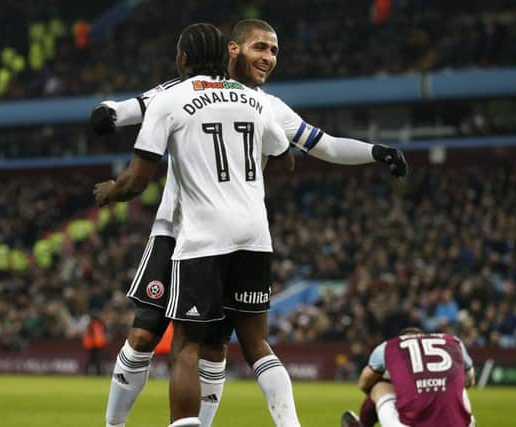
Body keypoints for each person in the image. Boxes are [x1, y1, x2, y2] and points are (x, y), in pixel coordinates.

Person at [92, 18, 408, 427]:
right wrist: (108, 112)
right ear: (233, 49)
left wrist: (374, 150)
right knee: (144, 335)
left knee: (213, 348)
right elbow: (133, 107)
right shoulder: (178, 90)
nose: (269, 58)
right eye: (261, 48)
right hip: (175, 230)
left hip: (212, 237)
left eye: (274, 51)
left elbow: (323, 144)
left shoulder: (266, 104)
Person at [93, 22, 298, 427]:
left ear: (182, 58)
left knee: (194, 344)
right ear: (228, 55)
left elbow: (137, 179)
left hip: (196, 235)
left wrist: (109, 191)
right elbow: (285, 153)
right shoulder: (254, 99)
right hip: (246, 234)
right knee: (244, 343)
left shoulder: (170, 99)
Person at [342, 327, 475, 427]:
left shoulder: (388, 347)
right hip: (461, 424)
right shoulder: (454, 342)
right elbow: (470, 380)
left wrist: (397, 388)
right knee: (457, 383)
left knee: (378, 386)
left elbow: (364, 383)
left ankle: (363, 425)